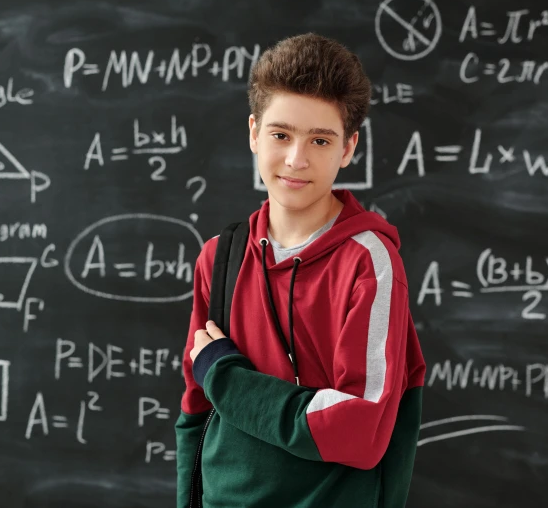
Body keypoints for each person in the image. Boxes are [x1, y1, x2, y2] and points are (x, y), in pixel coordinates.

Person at [175, 32, 426, 508]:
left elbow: (360, 432)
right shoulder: (219, 257)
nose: (296, 159)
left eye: (320, 139)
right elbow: (197, 409)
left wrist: (227, 378)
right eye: (281, 135)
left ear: (348, 148)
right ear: (253, 133)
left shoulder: (369, 264)